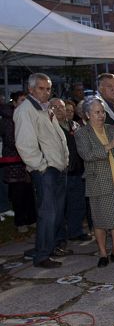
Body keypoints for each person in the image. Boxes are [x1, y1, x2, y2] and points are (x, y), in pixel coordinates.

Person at [14, 73, 70, 268]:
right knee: (48, 214)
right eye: (41, 88)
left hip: (58, 167)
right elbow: (24, 145)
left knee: (56, 213)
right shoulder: (25, 110)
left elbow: (58, 137)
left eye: (48, 89)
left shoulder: (46, 108)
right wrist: (42, 166)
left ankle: (50, 247)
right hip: (46, 170)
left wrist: (64, 160)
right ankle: (42, 256)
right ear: (31, 89)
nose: (46, 92)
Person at [75, 98, 114, 267]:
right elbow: (87, 155)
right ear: (87, 115)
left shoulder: (112, 129)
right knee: (99, 220)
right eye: (97, 112)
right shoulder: (82, 133)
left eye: (103, 112)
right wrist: (109, 145)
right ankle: (102, 253)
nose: (101, 115)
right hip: (98, 182)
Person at [51, 98, 87, 243]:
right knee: (60, 207)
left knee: (78, 204)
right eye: (55, 107)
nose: (60, 110)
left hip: (77, 171)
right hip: (59, 172)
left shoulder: (74, 125)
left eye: (61, 107)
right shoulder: (49, 126)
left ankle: (76, 232)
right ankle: (59, 237)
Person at [1, 91, 37, 234]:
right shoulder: (9, 119)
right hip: (15, 162)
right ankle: (20, 222)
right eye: (22, 100)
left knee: (29, 192)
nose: (24, 103)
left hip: (27, 160)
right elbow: (11, 141)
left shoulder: (27, 116)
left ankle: (31, 219)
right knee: (18, 194)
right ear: (15, 103)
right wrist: (27, 145)